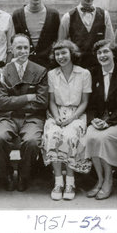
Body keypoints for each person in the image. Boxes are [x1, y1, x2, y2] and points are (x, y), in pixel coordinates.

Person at [0, 33, 48, 192]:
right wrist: (29, 97)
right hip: (7, 117)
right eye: (18, 47)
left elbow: (42, 102)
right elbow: (2, 103)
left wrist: (14, 103)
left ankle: (25, 175)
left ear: (30, 49)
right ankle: (6, 175)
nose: (22, 51)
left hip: (32, 118)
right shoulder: (2, 71)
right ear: (11, 49)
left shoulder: (40, 71)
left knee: (31, 141)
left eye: (25, 47)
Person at [84, 39, 117, 200]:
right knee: (91, 136)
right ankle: (99, 180)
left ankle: (109, 180)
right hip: (99, 119)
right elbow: (89, 104)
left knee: (104, 138)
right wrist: (93, 120)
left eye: (106, 51)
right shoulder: (92, 73)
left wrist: (108, 121)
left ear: (114, 54)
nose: (102, 55)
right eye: (99, 53)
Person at [42, 40, 91, 201]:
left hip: (76, 114)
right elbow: (51, 101)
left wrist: (72, 118)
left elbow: (84, 102)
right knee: (53, 136)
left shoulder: (84, 73)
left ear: (72, 54)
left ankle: (70, 181)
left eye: (64, 53)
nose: (60, 57)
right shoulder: (51, 74)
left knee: (71, 136)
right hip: (56, 113)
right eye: (57, 54)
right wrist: (56, 117)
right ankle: (58, 181)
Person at [58, 0, 114, 70]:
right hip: (77, 70)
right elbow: (61, 47)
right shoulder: (68, 17)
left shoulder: (105, 15)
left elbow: (111, 44)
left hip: (99, 69)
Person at [12, 0, 60, 68]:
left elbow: (57, 42)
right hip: (24, 68)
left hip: (48, 67)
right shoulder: (17, 15)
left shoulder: (53, 15)